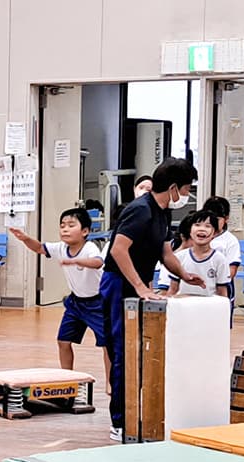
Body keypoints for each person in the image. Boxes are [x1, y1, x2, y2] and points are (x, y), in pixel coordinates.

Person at [99, 158, 205, 441]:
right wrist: (139, 287)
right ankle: (119, 420)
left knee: (141, 352)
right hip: (118, 283)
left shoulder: (161, 212)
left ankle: (138, 411)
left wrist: (185, 274)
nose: (186, 195)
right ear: (172, 187)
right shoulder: (140, 210)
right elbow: (119, 251)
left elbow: (165, 252)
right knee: (122, 351)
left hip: (137, 283)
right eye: (185, 189)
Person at [10, 208, 110, 390]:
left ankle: (111, 383)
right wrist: (25, 238)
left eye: (71, 225)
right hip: (75, 303)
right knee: (63, 341)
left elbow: (98, 263)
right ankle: (68, 379)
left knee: (107, 345)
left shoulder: (89, 247)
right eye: (62, 225)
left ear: (85, 231)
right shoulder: (61, 248)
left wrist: (76, 261)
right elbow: (40, 248)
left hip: (97, 303)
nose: (65, 229)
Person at [166, 210, 231, 298]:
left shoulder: (220, 259)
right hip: (183, 307)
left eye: (207, 226)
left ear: (215, 233)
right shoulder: (179, 257)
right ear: (190, 231)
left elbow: (222, 293)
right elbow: (173, 290)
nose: (202, 229)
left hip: (209, 307)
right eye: (197, 225)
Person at [203, 195, 241, 323]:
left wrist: (215, 279)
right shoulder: (198, 236)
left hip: (221, 288)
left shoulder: (230, 241)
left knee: (220, 325)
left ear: (226, 219)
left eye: (217, 218)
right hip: (200, 287)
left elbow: (232, 269)